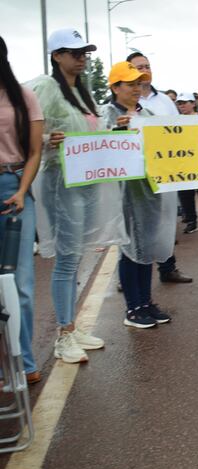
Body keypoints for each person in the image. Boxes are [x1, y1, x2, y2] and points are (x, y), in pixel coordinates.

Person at [28, 28, 121, 364]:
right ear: (57, 56)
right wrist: (47, 138)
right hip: (61, 181)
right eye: (74, 52)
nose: (81, 58)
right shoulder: (45, 87)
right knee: (67, 259)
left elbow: (90, 134)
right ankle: (64, 334)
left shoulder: (82, 92)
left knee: (77, 255)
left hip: (86, 181)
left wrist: (117, 131)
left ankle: (73, 324)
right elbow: (24, 128)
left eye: (85, 52)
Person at [102, 61, 175, 328]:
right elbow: (96, 145)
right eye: (130, 83)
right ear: (115, 87)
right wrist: (115, 131)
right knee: (129, 249)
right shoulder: (107, 115)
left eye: (138, 83)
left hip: (149, 191)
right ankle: (132, 308)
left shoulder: (147, 114)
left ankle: (146, 302)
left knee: (146, 248)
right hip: (123, 193)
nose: (136, 88)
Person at [127, 51, 192, 284]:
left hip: (164, 172)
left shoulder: (164, 100)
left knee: (166, 220)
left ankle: (168, 268)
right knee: (133, 226)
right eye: (138, 67)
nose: (144, 70)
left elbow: (178, 130)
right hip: (135, 178)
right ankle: (128, 273)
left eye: (147, 66)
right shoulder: (124, 102)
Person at [0, 36, 43, 382]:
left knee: (20, 282)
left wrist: (22, 190)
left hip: (14, 189)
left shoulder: (23, 97)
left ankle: (24, 362)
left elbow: (34, 152)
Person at [174, 92, 198, 234]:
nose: (182, 105)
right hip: (183, 164)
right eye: (179, 103)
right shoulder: (176, 122)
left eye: (185, 102)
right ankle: (191, 221)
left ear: (193, 103)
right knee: (185, 194)